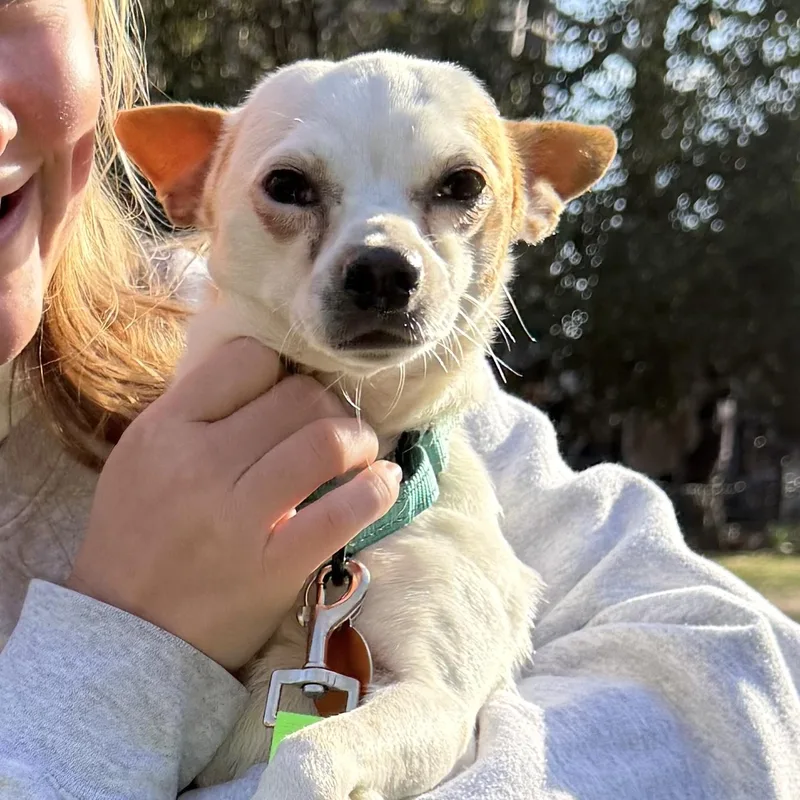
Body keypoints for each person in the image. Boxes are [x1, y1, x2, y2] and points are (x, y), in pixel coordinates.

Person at [0, 1, 798, 798]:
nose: (381, 260)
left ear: (533, 200)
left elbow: (743, 675)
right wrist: (119, 652)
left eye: (455, 187)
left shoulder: (435, 424)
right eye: (292, 188)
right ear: (193, 181)